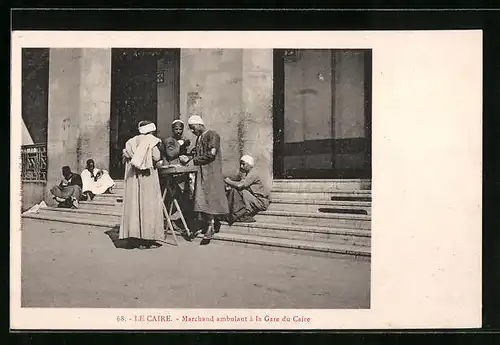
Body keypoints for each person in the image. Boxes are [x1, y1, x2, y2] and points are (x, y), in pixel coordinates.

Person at [119, 120, 165, 250]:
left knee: (133, 205)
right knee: (147, 205)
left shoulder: (130, 142)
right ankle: (146, 239)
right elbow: (156, 157)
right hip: (147, 177)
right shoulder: (152, 140)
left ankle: (133, 238)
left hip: (133, 177)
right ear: (151, 130)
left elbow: (127, 155)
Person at [186, 115, 228, 242]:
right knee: (201, 199)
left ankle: (211, 226)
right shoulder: (199, 138)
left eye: (193, 128)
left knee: (211, 199)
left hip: (211, 172)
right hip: (202, 172)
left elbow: (211, 154)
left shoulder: (212, 135)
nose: (192, 131)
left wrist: (194, 160)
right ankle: (206, 224)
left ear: (199, 124)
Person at [223, 155, 270, 225]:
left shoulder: (253, 173)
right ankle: (235, 213)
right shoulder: (248, 174)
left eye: (243, 164)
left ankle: (242, 213)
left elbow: (240, 185)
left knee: (241, 191)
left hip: (261, 202)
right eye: (240, 164)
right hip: (254, 199)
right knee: (235, 191)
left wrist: (228, 181)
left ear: (249, 164)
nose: (241, 166)